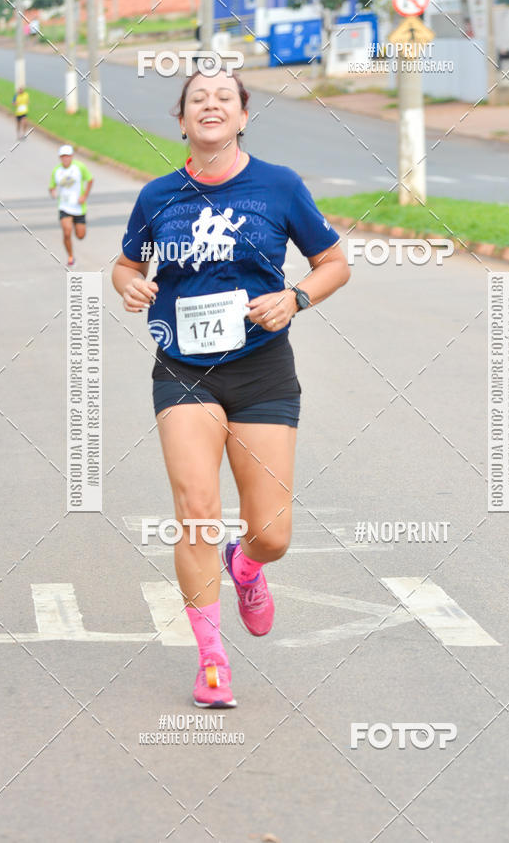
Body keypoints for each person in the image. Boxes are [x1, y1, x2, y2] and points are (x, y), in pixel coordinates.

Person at [112, 68, 350, 708]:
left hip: (262, 368)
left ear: (243, 117)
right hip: (184, 368)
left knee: (272, 532)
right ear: (183, 122)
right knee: (196, 511)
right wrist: (129, 284)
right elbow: (127, 263)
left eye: (224, 99)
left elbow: (334, 264)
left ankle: (244, 565)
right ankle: (212, 658)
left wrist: (295, 298)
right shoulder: (159, 195)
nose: (211, 106)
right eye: (197, 100)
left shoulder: (279, 186)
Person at [49, 145, 93, 267]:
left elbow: (90, 180)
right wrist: (52, 192)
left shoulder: (79, 167)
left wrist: (84, 196)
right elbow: (51, 186)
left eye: (68, 156)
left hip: (78, 207)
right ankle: (70, 256)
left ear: (72, 156)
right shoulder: (56, 171)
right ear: (60, 158)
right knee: (67, 232)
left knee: (80, 236)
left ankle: (76, 225)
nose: (65, 159)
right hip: (64, 206)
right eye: (63, 156)